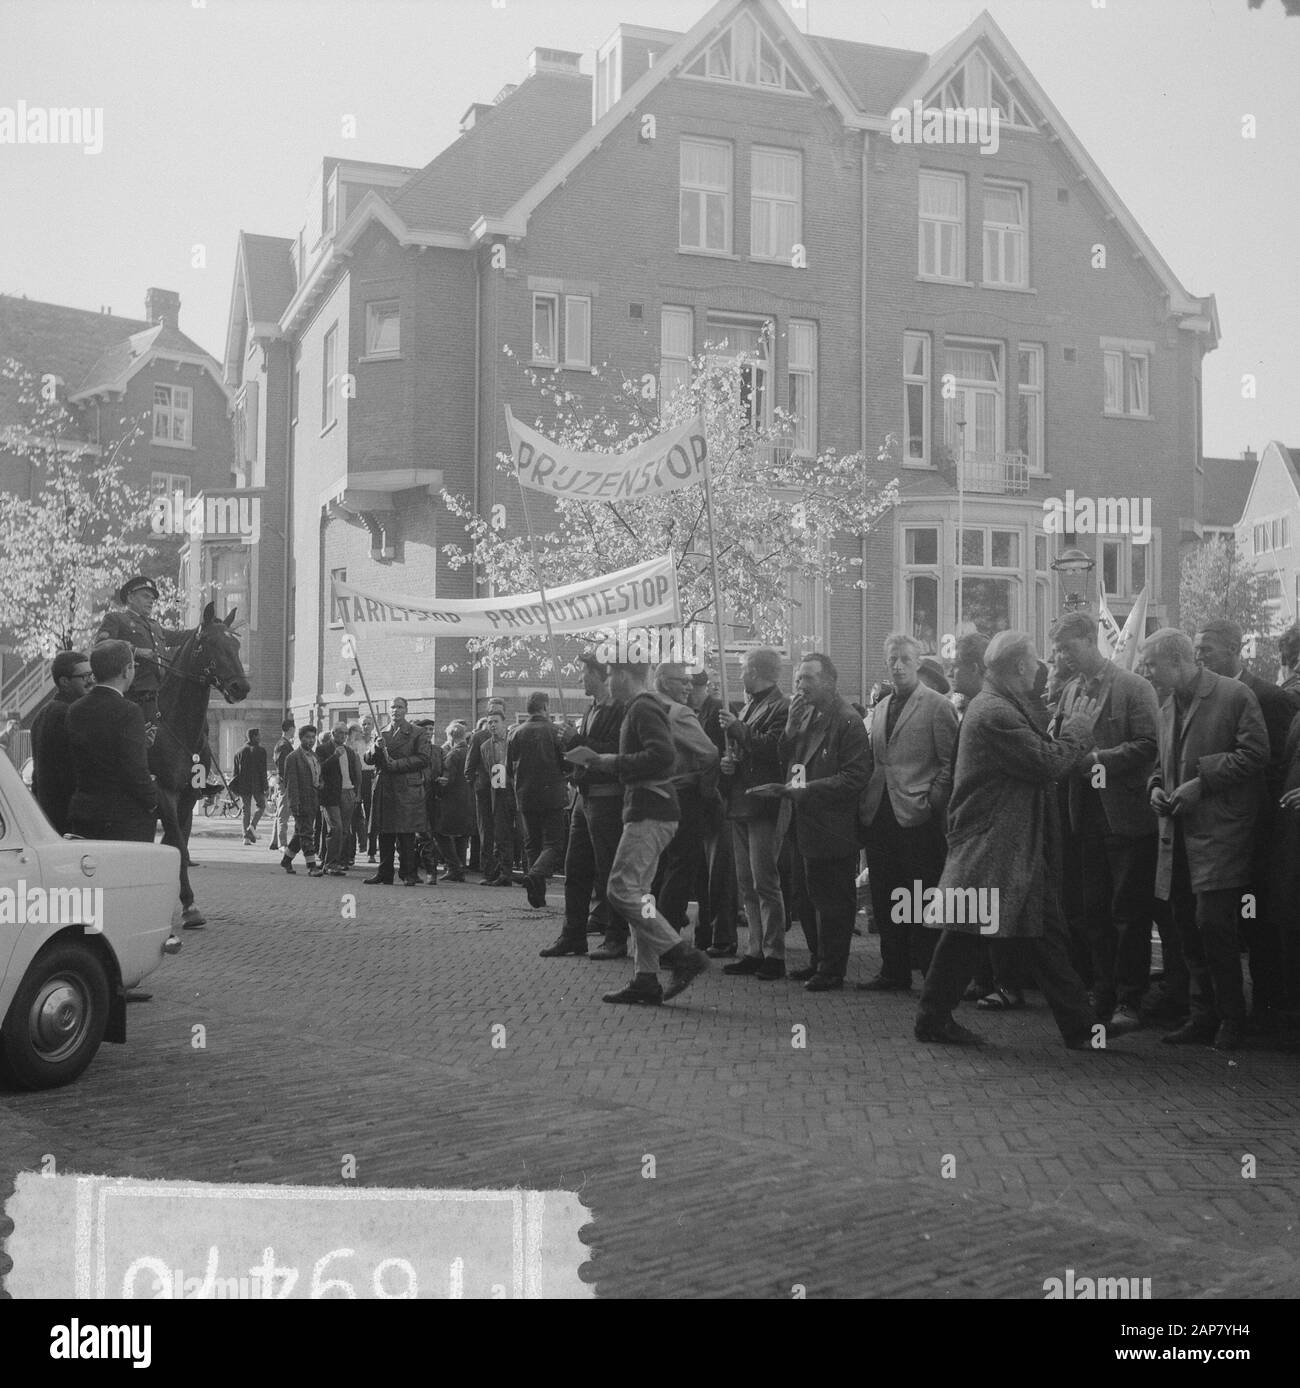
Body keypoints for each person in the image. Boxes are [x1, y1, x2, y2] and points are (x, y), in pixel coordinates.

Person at [915, 631, 1101, 1048]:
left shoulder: (995, 705)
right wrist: (1078, 732)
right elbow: (1045, 762)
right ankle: (932, 1019)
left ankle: (1082, 1028)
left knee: (1039, 934)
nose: (1040, 669)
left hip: (1009, 845)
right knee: (969, 933)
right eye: (1035, 662)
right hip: (997, 845)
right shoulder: (995, 712)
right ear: (1019, 666)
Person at [1142, 628, 1267, 1051]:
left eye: (1153, 666)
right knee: (1184, 926)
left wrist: (1202, 782)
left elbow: (1256, 754)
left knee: (1214, 924)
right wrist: (1155, 788)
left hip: (1220, 833)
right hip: (1176, 834)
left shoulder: (1233, 696)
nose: (1148, 674)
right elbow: (1161, 766)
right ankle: (1203, 1015)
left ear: (1177, 662)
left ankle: (1233, 1017)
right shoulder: (1165, 707)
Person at [1049, 612, 1161, 1036]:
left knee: (1127, 913)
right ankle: (1103, 994)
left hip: (1126, 818)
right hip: (1086, 817)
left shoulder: (1134, 687)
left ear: (1089, 641)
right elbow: (1060, 740)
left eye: (1068, 648)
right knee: (1092, 912)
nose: (1063, 657)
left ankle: (1130, 1001)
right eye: (1058, 650)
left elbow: (1150, 746)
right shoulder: (1070, 690)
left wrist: (1098, 760)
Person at [585, 661, 710, 1006]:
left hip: (650, 810)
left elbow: (662, 755)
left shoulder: (643, 707)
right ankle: (646, 978)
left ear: (623, 675)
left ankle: (681, 953)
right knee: (640, 896)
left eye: (609, 675)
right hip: (652, 809)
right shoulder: (642, 707)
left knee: (621, 889)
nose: (607, 682)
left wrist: (609, 762)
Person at [1195, 619, 1296, 1033]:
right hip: (1214, 831)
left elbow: (1275, 765)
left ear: (1236, 650)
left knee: (1257, 922)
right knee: (1219, 921)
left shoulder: (1269, 697)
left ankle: (1267, 1010)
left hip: (1258, 831)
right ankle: (1224, 1012)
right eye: (1197, 651)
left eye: (1209, 651)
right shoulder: (1200, 696)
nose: (1200, 658)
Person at [753, 653, 870, 992]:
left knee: (833, 901)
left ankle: (833, 969)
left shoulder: (847, 720)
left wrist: (802, 790)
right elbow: (785, 758)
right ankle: (818, 961)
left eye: (808, 679)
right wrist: (789, 729)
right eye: (798, 679)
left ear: (829, 682)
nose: (801, 686)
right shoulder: (806, 716)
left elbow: (854, 777)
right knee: (806, 896)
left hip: (831, 825)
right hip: (802, 821)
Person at [857, 634, 958, 994]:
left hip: (917, 817)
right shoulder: (882, 706)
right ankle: (893, 970)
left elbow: (950, 762)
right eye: (892, 660)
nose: (897, 666)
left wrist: (933, 800)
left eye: (904, 659)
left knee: (921, 895)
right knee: (885, 896)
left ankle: (931, 973)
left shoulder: (937, 706)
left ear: (918, 663)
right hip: (881, 815)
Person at [540, 656, 629, 958]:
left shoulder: (620, 709)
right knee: (575, 868)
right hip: (584, 796)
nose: (579, 680)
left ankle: (616, 937)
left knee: (609, 870)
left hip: (607, 798)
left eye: (582, 674)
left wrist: (577, 739)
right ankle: (573, 934)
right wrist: (568, 745)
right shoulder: (591, 708)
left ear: (597, 675)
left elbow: (617, 751)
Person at [716, 648, 790, 979]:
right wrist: (728, 764)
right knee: (747, 881)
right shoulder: (748, 707)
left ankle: (774, 952)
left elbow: (775, 747)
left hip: (763, 803)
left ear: (756, 671)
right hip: (741, 801)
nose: (739, 674)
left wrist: (738, 729)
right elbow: (746, 751)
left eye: (743, 668)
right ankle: (754, 947)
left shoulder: (780, 706)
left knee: (765, 880)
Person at [650, 663, 722, 954]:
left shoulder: (646, 709)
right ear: (665, 683)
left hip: (655, 796)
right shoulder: (678, 713)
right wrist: (702, 783)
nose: (688, 687)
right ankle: (667, 942)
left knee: (658, 871)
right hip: (683, 795)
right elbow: (710, 752)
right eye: (683, 682)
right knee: (681, 870)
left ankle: (650, 935)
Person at [66, 641, 158, 841]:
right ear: (126, 670)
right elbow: (134, 770)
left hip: (84, 813)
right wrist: (153, 801)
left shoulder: (75, 709)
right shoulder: (129, 711)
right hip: (123, 818)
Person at [687, 671, 739, 952]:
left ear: (704, 687)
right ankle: (704, 933)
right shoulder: (688, 712)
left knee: (719, 872)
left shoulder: (718, 711)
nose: (690, 691)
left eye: (695, 686)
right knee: (702, 874)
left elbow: (727, 751)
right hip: (698, 801)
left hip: (717, 799)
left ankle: (722, 935)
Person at [92, 575, 187, 726]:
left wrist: (206, 628)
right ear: (130, 598)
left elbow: (178, 637)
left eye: (152, 599)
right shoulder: (116, 619)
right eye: (145, 596)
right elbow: (101, 645)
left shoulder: (154, 626)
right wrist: (135, 651)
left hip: (161, 697)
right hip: (134, 696)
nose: (151, 601)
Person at [507, 692, 570, 908]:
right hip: (552, 795)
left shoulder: (516, 733)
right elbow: (567, 765)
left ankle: (537, 895)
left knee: (532, 844)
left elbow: (509, 768)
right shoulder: (555, 731)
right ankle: (534, 875)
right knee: (554, 843)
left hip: (525, 795)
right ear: (545, 707)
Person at [363, 698, 431, 886]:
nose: (396, 710)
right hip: (385, 787)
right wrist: (375, 748)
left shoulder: (418, 732)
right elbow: (368, 759)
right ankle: (384, 873)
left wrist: (398, 764)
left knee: (406, 834)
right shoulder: (381, 731)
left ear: (406, 710)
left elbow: (424, 758)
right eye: (393, 707)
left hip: (406, 789)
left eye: (400, 707)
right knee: (385, 833)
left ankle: (408, 873)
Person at [29, 651, 94, 834]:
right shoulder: (68, 715)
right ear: (64, 682)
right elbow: (71, 773)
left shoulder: (42, 714)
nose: (91, 681)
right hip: (68, 819)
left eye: (91, 675)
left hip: (47, 815)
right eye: (84, 676)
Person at [318, 722, 362, 876]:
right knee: (335, 828)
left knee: (344, 830)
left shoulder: (350, 752)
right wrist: (334, 756)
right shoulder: (323, 749)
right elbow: (320, 769)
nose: (342, 736)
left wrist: (356, 792)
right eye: (339, 733)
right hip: (331, 795)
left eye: (345, 733)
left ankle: (336, 861)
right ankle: (329, 863)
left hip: (348, 792)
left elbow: (355, 772)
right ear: (332, 733)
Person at [281, 725, 324, 876]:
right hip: (300, 801)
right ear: (301, 738)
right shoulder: (293, 757)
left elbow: (318, 775)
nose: (310, 740)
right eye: (307, 737)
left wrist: (321, 783)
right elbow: (291, 783)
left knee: (300, 833)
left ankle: (286, 860)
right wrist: (294, 803)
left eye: (313, 737)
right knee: (306, 833)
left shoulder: (314, 756)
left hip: (313, 800)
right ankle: (311, 866)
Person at [435, 721, 474, 881]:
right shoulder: (469, 752)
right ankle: (460, 868)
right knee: (462, 835)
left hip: (452, 802)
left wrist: (437, 785)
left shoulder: (452, 755)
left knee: (441, 833)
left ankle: (454, 867)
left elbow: (447, 780)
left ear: (450, 737)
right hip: (468, 800)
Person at [232, 728, 269, 844]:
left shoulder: (239, 751)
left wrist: (235, 787)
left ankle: (246, 838)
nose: (260, 737)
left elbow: (235, 773)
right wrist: (266, 786)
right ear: (253, 737)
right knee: (261, 806)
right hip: (257, 785)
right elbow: (263, 770)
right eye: (258, 736)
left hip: (243, 786)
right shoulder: (261, 751)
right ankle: (251, 828)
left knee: (245, 810)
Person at [269, 717, 296, 852]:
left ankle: (275, 841)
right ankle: (282, 843)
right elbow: (282, 765)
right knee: (283, 814)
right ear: (291, 729)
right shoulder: (283, 745)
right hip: (285, 782)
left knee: (280, 812)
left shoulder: (282, 744)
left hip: (282, 781)